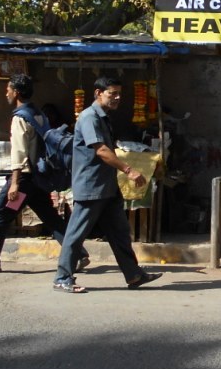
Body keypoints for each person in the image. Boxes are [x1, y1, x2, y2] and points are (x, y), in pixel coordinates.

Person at [0, 74, 88, 274]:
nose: (7, 92)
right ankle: (79, 254)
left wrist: (14, 183)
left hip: (24, 179)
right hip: (38, 179)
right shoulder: (38, 114)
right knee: (50, 218)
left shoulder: (20, 117)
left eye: (9, 89)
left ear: (17, 92)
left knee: (0, 215)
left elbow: (19, 152)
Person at [52, 76, 161, 294]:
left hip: (106, 188)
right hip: (91, 186)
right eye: (112, 93)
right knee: (76, 234)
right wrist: (129, 170)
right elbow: (101, 150)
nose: (117, 98)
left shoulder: (103, 117)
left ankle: (133, 274)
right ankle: (62, 278)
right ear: (98, 93)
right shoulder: (89, 117)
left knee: (120, 232)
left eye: (119, 93)